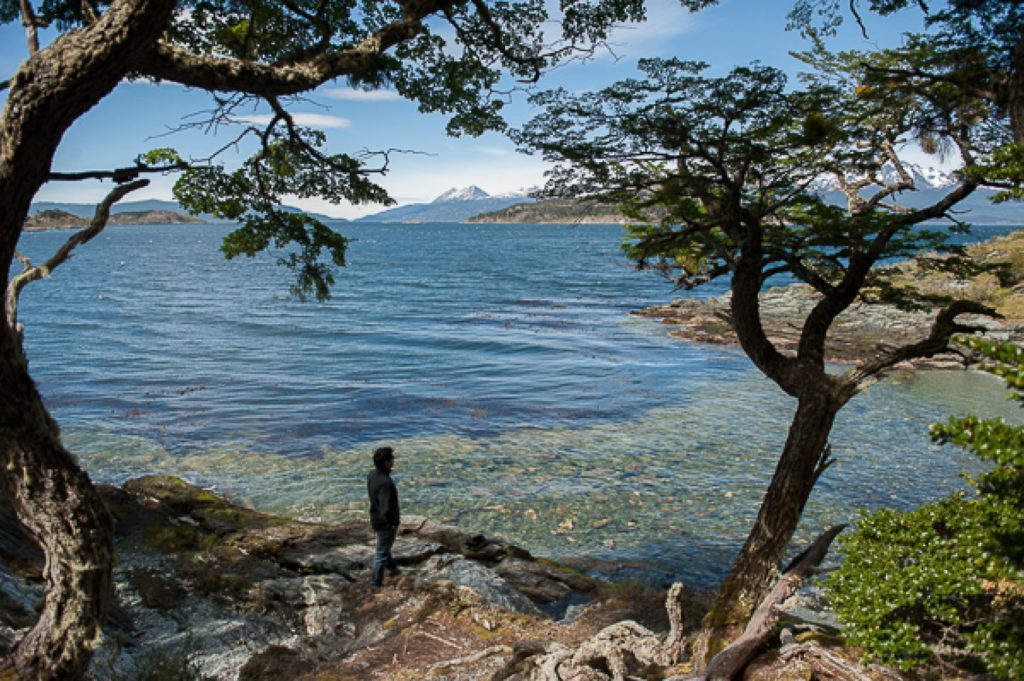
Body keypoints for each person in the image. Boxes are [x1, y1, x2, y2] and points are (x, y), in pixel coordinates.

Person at [367, 445, 401, 588]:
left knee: (384, 547)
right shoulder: (385, 483)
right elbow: (385, 509)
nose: (393, 461)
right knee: (381, 553)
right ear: (386, 462)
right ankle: (376, 583)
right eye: (391, 458)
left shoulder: (372, 475)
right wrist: (394, 522)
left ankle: (392, 568)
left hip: (375, 518)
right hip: (385, 523)